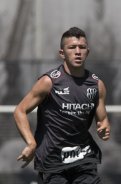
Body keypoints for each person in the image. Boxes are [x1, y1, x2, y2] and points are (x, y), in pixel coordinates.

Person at [14, 27, 110, 184]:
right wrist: (31, 143)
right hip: (52, 161)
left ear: (88, 52)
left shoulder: (97, 84)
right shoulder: (49, 82)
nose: (77, 51)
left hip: (84, 158)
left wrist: (104, 128)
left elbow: (103, 119)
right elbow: (20, 111)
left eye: (82, 47)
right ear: (62, 53)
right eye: (72, 47)